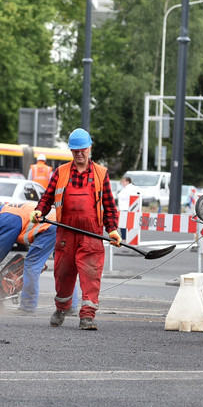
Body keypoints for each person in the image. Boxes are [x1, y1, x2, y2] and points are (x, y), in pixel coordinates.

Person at [33, 128, 121, 331]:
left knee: (90, 275)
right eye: (75, 151)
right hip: (66, 232)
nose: (79, 154)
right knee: (63, 274)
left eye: (82, 149)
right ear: (71, 151)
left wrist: (113, 230)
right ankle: (61, 309)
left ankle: (87, 317)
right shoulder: (61, 172)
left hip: (91, 234)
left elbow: (109, 205)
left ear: (90, 148)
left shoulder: (101, 174)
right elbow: (47, 197)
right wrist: (39, 211)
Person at [0, 200, 58, 316]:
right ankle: (69, 307)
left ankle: (28, 307)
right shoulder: (10, 210)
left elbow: (1, 246)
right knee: (63, 267)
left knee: (31, 265)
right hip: (59, 222)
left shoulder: (5, 217)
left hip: (49, 227)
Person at [116, 175, 140, 241]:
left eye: (123, 181)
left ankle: (124, 237)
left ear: (128, 181)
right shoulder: (126, 188)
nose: (122, 183)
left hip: (126, 208)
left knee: (123, 224)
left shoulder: (130, 188)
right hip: (124, 208)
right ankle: (125, 237)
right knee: (124, 224)